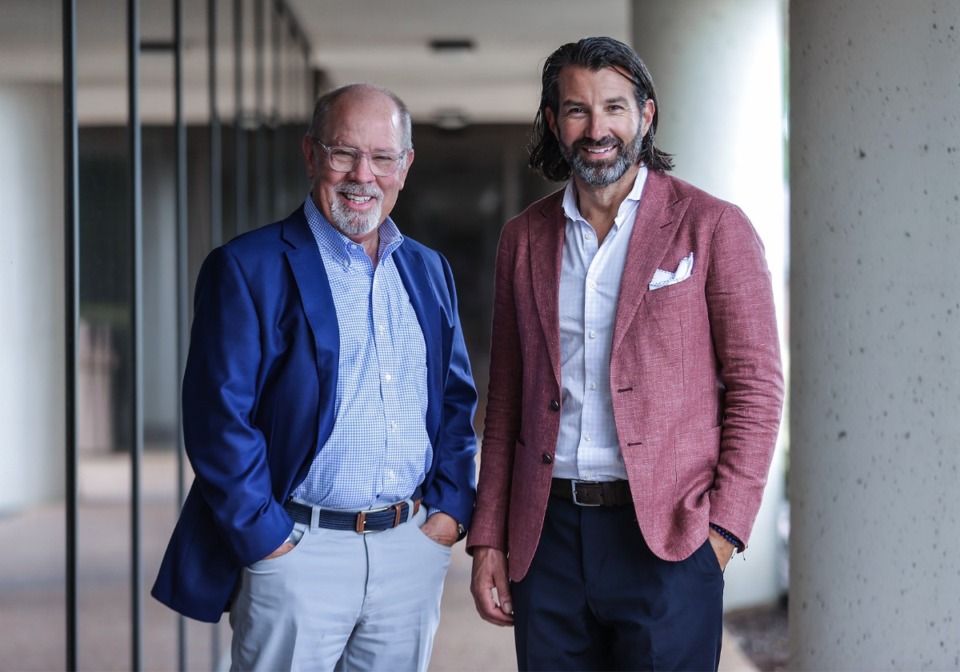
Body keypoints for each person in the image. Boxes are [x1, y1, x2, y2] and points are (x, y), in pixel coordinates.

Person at [467, 37, 784, 671]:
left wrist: (721, 534)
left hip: (668, 537)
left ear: (646, 114)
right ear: (555, 123)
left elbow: (756, 387)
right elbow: (505, 400)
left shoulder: (713, 227)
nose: (597, 128)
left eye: (614, 107)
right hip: (548, 536)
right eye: (577, 110)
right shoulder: (523, 240)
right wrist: (489, 540)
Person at [152, 83, 478, 672]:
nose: (363, 175)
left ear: (405, 166)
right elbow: (218, 419)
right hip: (298, 548)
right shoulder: (247, 267)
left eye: (382, 157)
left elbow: (454, 403)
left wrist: (448, 513)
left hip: (410, 548)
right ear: (310, 155)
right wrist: (269, 541)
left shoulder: (429, 271)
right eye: (342, 153)